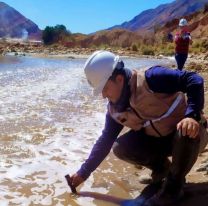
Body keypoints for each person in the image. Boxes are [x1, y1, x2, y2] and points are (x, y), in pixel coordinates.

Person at [69, 50, 208, 205]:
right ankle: (162, 170)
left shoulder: (152, 78)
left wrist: (192, 116)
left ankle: (173, 189)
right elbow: (105, 141)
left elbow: (194, 79)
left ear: (119, 79)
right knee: (120, 147)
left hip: (190, 138)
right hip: (162, 141)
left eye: (105, 88)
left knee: (185, 131)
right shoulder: (115, 109)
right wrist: (83, 172)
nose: (103, 95)